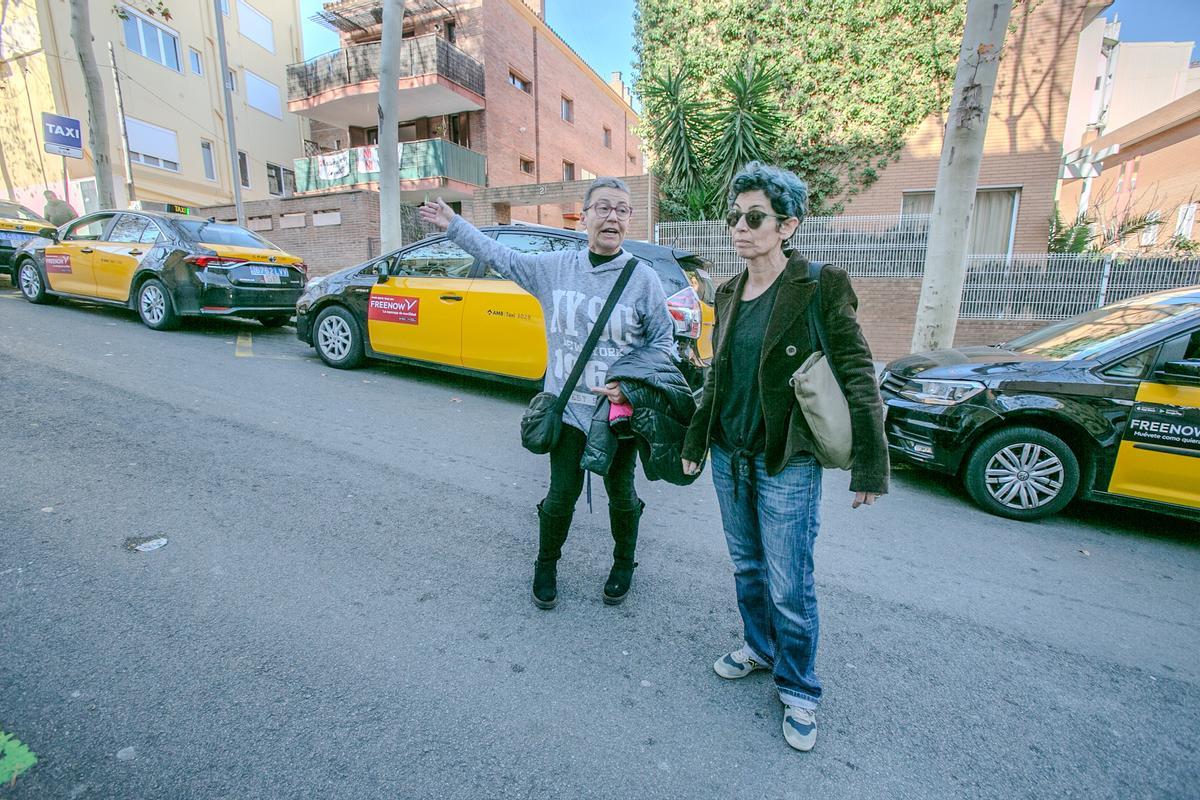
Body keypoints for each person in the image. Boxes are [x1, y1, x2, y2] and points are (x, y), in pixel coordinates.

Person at [680, 161, 889, 752]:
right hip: (729, 454)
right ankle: (760, 647)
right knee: (747, 568)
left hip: (786, 461)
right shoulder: (727, 290)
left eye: (754, 218)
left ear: (787, 225)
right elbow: (717, 376)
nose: (740, 229)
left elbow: (856, 373)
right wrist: (697, 442)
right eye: (733, 218)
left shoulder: (819, 286)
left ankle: (799, 688)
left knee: (789, 582)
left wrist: (871, 464)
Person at [419, 178, 676, 609]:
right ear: (586, 215)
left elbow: (663, 342)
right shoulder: (555, 268)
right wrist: (454, 224)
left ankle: (623, 563)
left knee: (622, 496)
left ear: (629, 219)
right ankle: (546, 565)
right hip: (567, 411)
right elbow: (501, 256)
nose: (612, 217)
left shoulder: (643, 279)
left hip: (616, 415)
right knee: (561, 497)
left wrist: (628, 386)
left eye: (622, 210)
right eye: (603, 208)